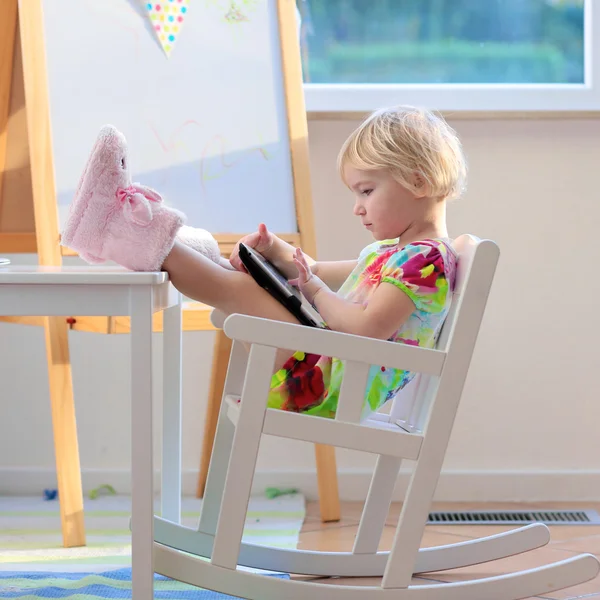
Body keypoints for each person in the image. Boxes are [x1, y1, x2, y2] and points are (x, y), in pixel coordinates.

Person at [62, 105, 464, 419]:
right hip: (327, 368)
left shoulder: (424, 262)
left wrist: (314, 289)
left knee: (232, 287)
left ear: (418, 182)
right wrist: (276, 253)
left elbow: (364, 329)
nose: (358, 208)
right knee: (233, 275)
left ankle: (120, 228)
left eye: (366, 190)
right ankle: (160, 238)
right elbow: (318, 271)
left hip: (326, 382)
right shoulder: (399, 254)